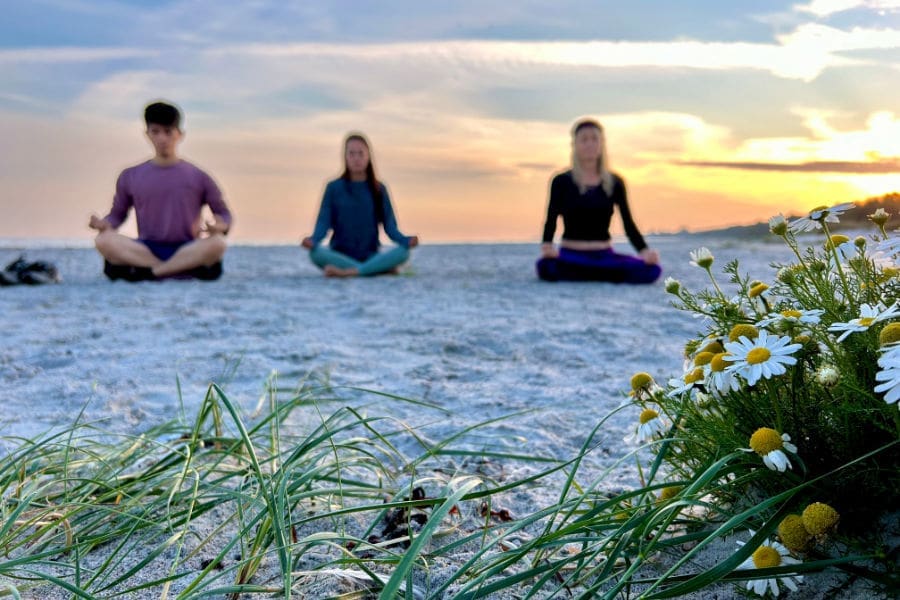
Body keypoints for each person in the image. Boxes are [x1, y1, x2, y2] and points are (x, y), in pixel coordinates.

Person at [89, 101, 232, 281]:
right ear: (147, 134)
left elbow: (224, 214)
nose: (162, 138)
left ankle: (154, 272)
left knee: (218, 243)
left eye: (168, 131)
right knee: (103, 240)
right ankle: (178, 269)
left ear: (179, 135)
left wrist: (220, 226)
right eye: (156, 132)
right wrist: (103, 224)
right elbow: (117, 215)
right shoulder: (130, 175)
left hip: (188, 247)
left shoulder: (199, 176)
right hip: (146, 248)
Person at [536, 118, 661, 283]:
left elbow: (628, 223)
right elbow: (551, 218)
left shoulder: (615, 182)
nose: (590, 144)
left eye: (595, 138)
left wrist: (644, 251)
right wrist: (547, 245)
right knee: (545, 267)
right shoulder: (561, 181)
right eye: (584, 139)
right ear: (575, 144)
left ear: (602, 144)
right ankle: (596, 274)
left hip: (604, 255)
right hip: (571, 254)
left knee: (652, 270)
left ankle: (590, 273)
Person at [301, 133, 419, 277]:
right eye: (351, 154)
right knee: (315, 254)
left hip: (370, 255)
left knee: (403, 252)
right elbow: (323, 223)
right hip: (339, 257)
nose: (356, 158)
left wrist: (406, 240)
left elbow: (390, 228)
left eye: (361, 153)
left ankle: (351, 272)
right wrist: (312, 240)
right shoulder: (333, 188)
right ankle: (375, 270)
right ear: (345, 157)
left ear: (368, 156)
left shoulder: (379, 189)